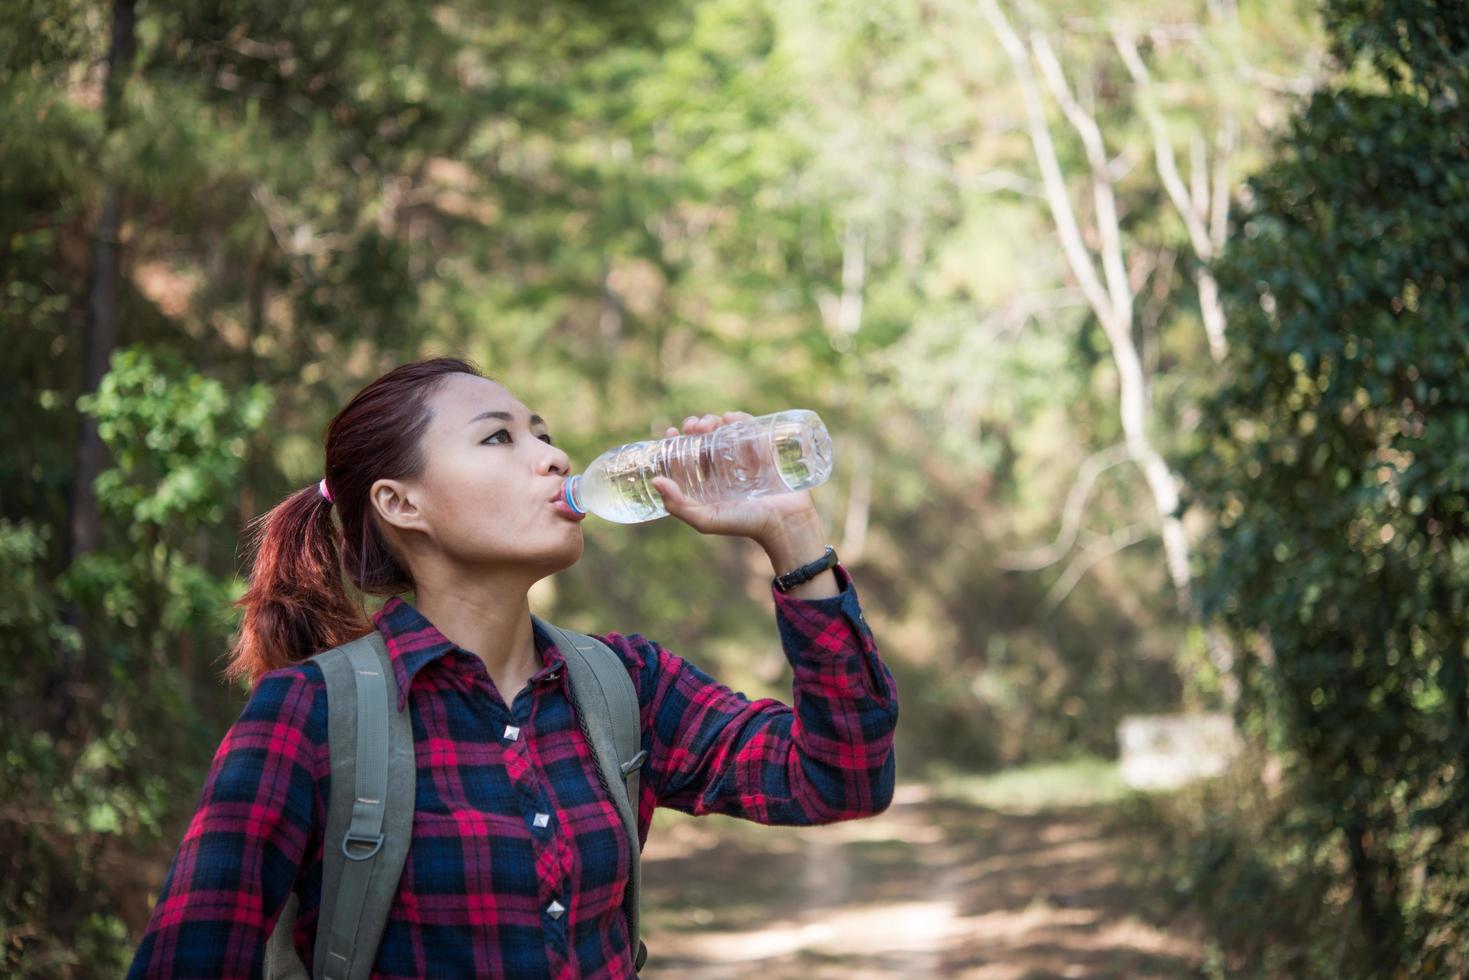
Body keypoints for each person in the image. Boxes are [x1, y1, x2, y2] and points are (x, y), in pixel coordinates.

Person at [126, 356, 899, 977]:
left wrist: (791, 533)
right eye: (500, 438)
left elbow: (840, 779)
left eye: (542, 432)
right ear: (403, 505)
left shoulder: (624, 684)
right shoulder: (310, 715)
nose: (555, 456)